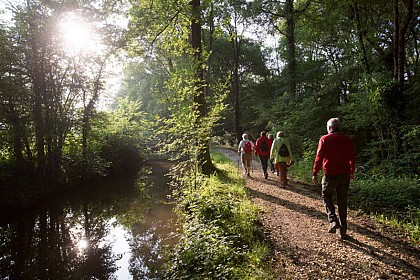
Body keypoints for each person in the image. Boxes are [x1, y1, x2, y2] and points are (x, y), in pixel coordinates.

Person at [312, 118, 355, 240]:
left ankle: (333, 220)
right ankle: (343, 231)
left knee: (326, 195)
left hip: (330, 174)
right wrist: (352, 171)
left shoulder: (325, 139)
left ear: (330, 128)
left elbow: (319, 157)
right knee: (342, 201)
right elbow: (352, 157)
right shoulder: (347, 139)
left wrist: (315, 172)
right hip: (344, 174)